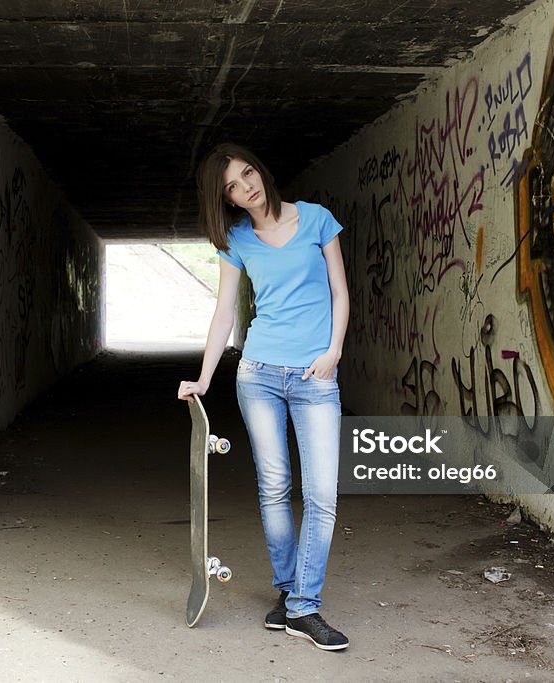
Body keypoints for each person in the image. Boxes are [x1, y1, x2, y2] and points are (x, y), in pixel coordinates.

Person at [177, 143, 350, 651]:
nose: (246, 186)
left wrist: (334, 351)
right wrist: (205, 378)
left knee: (322, 495)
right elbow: (225, 312)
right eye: (232, 185)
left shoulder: (317, 219)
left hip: (316, 376)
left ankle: (300, 605)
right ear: (227, 198)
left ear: (260, 169)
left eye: (247, 172)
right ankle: (293, 598)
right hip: (258, 374)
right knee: (274, 488)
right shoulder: (236, 239)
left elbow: (340, 291)